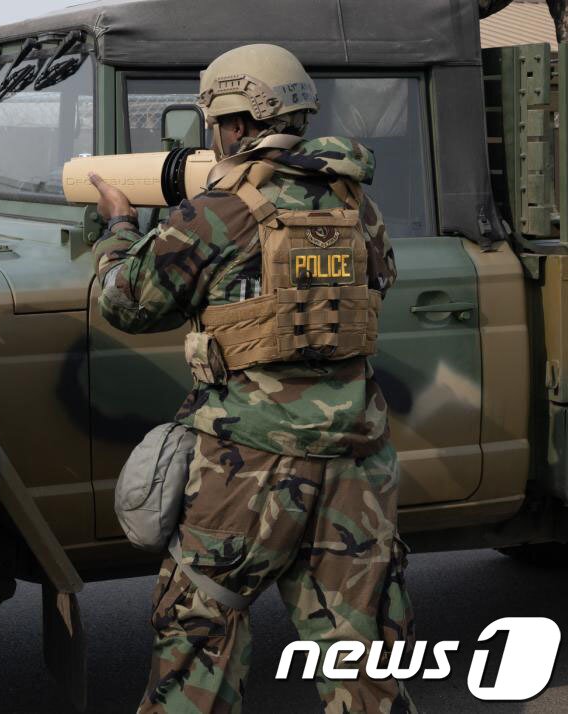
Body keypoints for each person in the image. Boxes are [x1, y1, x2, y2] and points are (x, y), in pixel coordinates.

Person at [88, 45, 416, 713]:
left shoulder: (218, 213)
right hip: (357, 458)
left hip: (251, 463)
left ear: (237, 124)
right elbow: (377, 277)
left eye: (216, 123)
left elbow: (125, 301)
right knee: (362, 655)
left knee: (198, 630)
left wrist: (121, 227)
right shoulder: (357, 201)